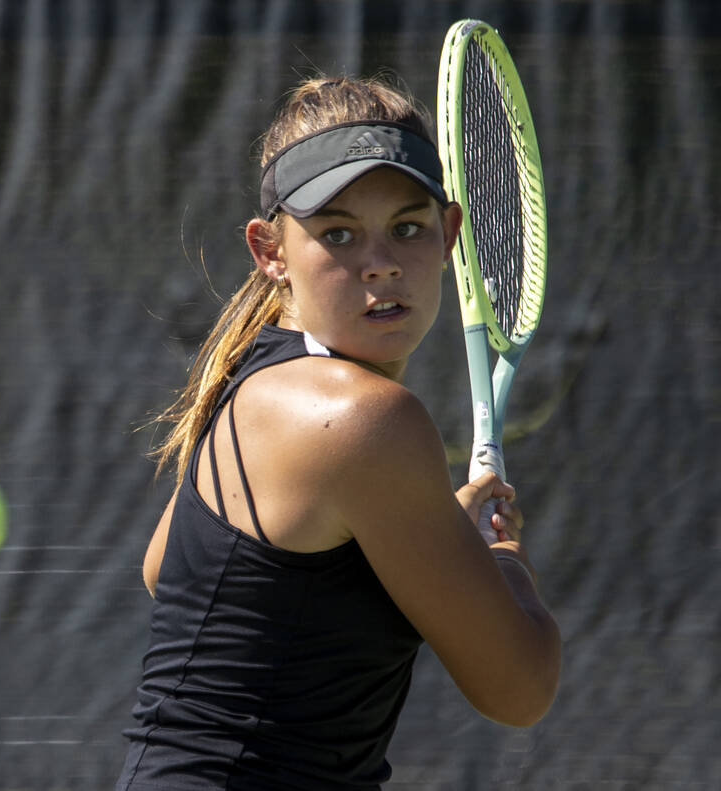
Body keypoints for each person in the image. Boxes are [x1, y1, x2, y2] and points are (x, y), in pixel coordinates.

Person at [116, 74, 561, 791]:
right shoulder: (363, 417)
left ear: (449, 235)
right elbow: (520, 688)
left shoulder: (255, 379)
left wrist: (417, 533)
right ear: (271, 250)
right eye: (338, 232)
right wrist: (504, 560)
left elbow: (164, 566)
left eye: (407, 227)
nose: (379, 260)